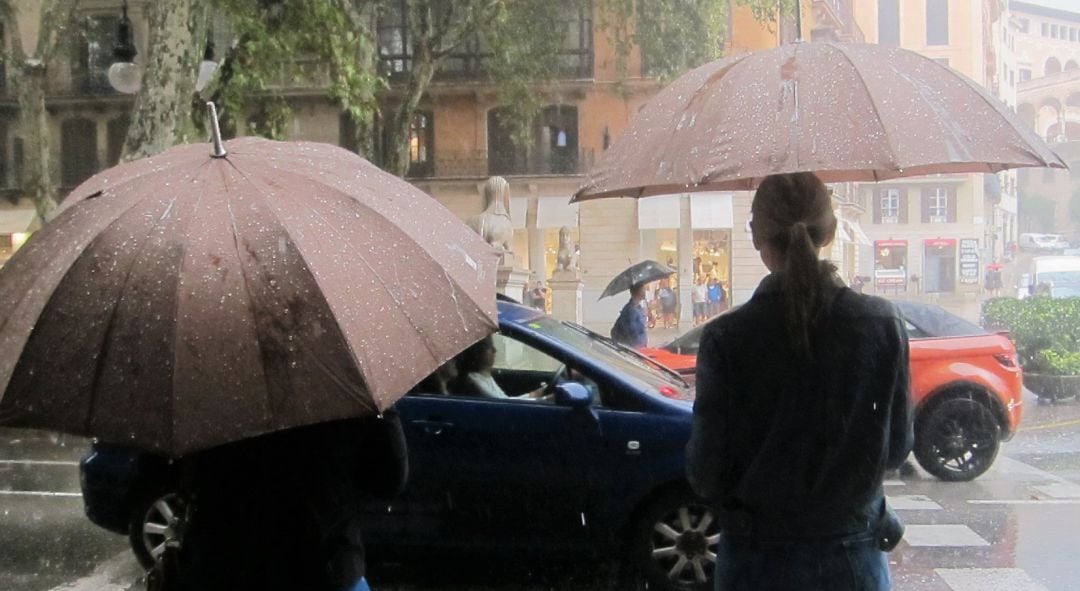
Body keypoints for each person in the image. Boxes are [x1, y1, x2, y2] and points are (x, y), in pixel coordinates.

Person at [686, 172, 913, 591]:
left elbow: (707, 474)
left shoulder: (726, 339)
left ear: (756, 236)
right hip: (853, 559)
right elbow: (897, 447)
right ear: (830, 230)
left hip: (755, 562)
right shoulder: (882, 323)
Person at [173, 412, 408, 591]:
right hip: (324, 563)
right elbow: (389, 480)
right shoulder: (343, 380)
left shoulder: (207, 378)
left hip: (223, 565)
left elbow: (173, 476)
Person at [454, 335, 547, 399]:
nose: (495, 351)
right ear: (477, 353)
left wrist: (535, 395)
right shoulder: (473, 379)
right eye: (489, 347)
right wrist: (535, 395)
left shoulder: (485, 375)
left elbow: (505, 400)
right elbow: (502, 403)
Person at [611, 282, 648, 347]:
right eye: (643, 289)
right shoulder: (631, 310)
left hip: (639, 348)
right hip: (633, 349)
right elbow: (633, 333)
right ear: (639, 291)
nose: (645, 292)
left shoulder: (638, 308)